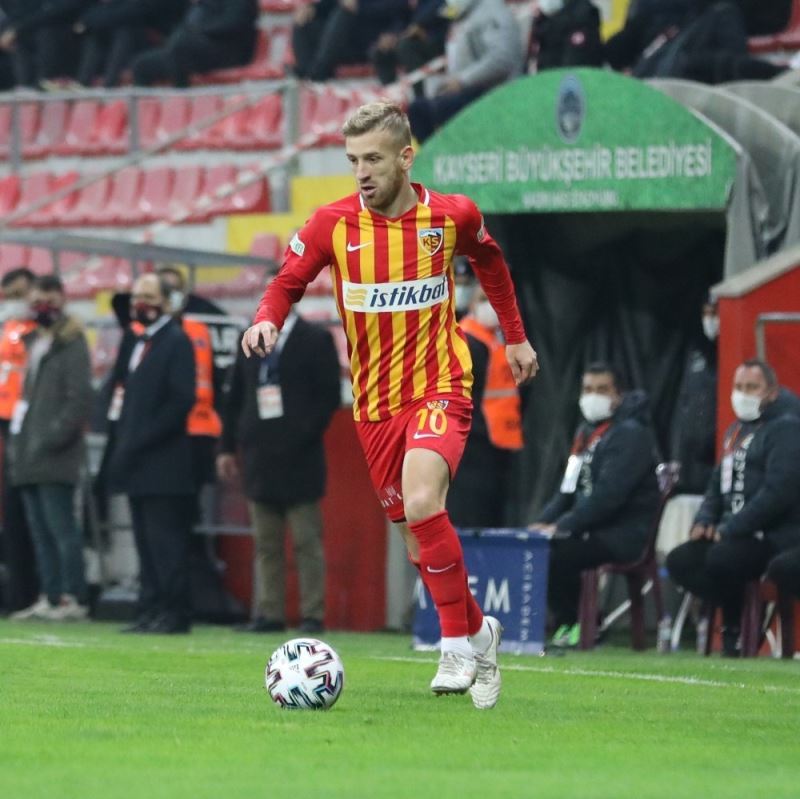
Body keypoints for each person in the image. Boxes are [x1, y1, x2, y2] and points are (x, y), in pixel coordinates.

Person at [241, 101, 538, 709]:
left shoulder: (451, 216)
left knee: (425, 501)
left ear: (406, 157)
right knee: (416, 541)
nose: (362, 172)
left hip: (440, 385)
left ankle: (453, 645)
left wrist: (515, 336)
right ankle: (482, 634)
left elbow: (492, 263)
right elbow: (287, 280)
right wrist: (266, 319)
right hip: (374, 406)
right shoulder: (332, 224)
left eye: (373, 159)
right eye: (353, 160)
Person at [666, 360, 800, 657]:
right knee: (680, 560)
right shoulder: (736, 431)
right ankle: (738, 615)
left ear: (772, 392)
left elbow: (778, 493)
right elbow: (716, 486)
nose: (743, 394)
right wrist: (704, 521)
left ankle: (734, 628)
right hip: (732, 534)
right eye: (739, 387)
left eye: (752, 387)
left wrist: (730, 528)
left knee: (723, 558)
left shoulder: (787, 430)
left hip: (771, 535)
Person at [218, 310, 340, 634]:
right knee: (266, 542)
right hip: (259, 455)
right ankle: (269, 612)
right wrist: (227, 446)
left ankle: (312, 615)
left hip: (300, 456)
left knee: (306, 540)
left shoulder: (315, 339)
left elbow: (328, 395)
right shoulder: (249, 337)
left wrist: (302, 433)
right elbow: (235, 396)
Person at [532, 363, 659, 648]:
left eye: (602, 390)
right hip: (588, 529)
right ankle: (571, 622)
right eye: (588, 389)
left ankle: (579, 623)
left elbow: (609, 496)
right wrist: (541, 524)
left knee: (559, 553)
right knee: (537, 545)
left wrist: (563, 526)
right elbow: (566, 490)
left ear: (619, 395)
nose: (593, 396)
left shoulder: (632, 435)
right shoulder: (585, 433)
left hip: (622, 533)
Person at [106, 273, 196, 634]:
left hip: (165, 462)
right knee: (144, 542)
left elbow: (181, 400)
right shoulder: (136, 341)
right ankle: (150, 607)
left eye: (148, 295)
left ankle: (174, 612)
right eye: (136, 296)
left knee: (166, 543)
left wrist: (141, 438)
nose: (139, 302)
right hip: (137, 461)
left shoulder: (176, 341)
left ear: (166, 301)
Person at [8, 275, 92, 621]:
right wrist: (23, 444)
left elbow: (79, 400)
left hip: (55, 454)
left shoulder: (72, 343)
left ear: (62, 300)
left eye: (49, 300)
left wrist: (51, 438)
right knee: (41, 532)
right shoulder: (35, 342)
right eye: (37, 301)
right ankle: (51, 594)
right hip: (28, 451)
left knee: (61, 529)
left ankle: (73, 596)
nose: (43, 307)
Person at [446, 284, 523, 528]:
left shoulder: (497, 340)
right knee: (472, 517)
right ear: (471, 304)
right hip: (472, 445)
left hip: (495, 443)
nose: (491, 306)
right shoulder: (467, 341)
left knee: (491, 516)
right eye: (483, 299)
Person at [407, 0, 524, 143]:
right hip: (470, 89)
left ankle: (440, 153)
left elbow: (502, 59)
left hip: (493, 92)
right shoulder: (463, 15)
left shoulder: (492, 12)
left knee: (421, 111)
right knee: (419, 108)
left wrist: (462, 81)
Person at [0, 267, 38, 613]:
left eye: (20, 294)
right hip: (7, 425)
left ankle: (25, 592)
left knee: (22, 513)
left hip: (24, 429)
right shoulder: (6, 330)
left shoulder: (37, 334)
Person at [130, 0, 258, 88]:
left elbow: (235, 23)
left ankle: (181, 99)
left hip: (227, 50)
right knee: (142, 65)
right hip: (194, 49)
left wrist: (200, 31)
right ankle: (143, 117)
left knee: (181, 46)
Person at [73, 0, 188, 87]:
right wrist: (89, 23)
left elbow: (135, 11)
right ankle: (83, 84)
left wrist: (89, 22)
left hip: (165, 38)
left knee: (125, 31)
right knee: (98, 34)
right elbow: (95, 10)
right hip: (133, 38)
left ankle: (110, 85)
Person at [292, 0, 410, 83]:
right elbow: (328, 5)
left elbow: (401, 11)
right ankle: (305, 72)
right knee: (303, 21)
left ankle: (317, 74)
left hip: (372, 41)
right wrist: (313, 9)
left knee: (343, 13)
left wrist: (360, 7)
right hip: (341, 40)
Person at [670, 297, 718, 494]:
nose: (709, 319)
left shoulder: (735, 349)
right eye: (705, 313)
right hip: (691, 458)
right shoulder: (696, 351)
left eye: (714, 313)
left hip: (718, 451)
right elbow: (685, 402)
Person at [373, 0, 449, 98]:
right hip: (410, 38)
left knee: (406, 46)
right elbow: (398, 19)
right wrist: (393, 35)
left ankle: (420, 96)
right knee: (380, 51)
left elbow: (442, 6)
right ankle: (390, 96)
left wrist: (419, 24)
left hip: (438, 40)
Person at [530, 0, 603, 72]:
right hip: (549, 74)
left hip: (570, 75)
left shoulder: (583, 15)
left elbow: (574, 62)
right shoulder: (544, 20)